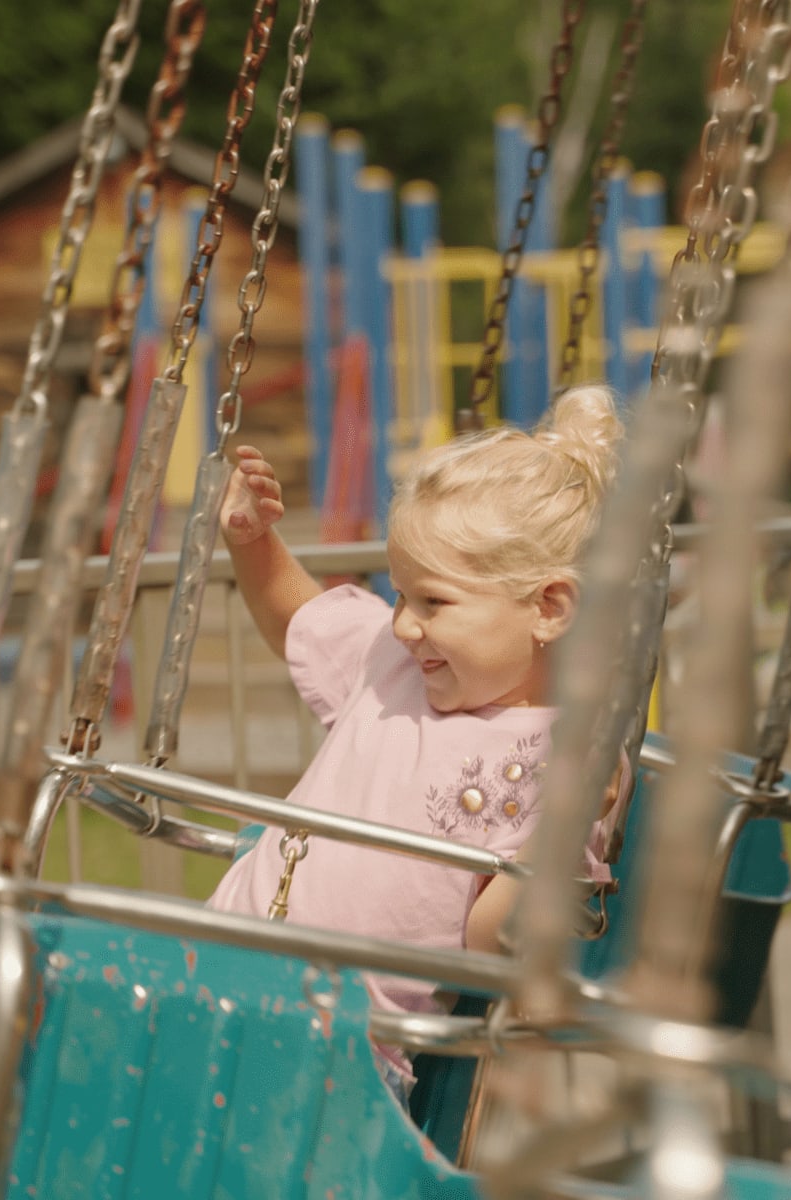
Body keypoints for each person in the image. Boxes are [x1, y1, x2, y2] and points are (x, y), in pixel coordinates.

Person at [206, 383, 631, 1104]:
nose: (404, 624)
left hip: (342, 1053)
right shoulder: (394, 667)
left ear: (549, 608)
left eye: (433, 601)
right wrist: (254, 543)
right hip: (214, 980)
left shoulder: (569, 758)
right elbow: (298, 622)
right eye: (400, 595)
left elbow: (493, 940)